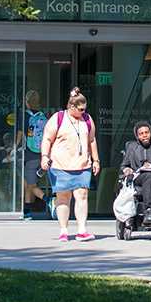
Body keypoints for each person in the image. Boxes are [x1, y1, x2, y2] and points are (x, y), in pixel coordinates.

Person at [40, 87, 99, 242]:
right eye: (80, 109)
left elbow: (91, 140)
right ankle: (64, 230)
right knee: (63, 198)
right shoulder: (58, 118)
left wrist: (96, 160)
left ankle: (82, 230)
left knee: (82, 195)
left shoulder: (87, 119)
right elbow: (47, 138)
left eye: (85, 109)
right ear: (71, 107)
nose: (83, 111)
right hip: (60, 165)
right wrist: (44, 157)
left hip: (82, 165)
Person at [120, 121, 151, 225]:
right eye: (141, 134)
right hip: (139, 177)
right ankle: (148, 211)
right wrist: (126, 170)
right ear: (137, 136)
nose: (144, 136)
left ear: (150, 133)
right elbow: (124, 165)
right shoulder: (132, 148)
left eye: (146, 132)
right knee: (147, 175)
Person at [21, 90, 50, 217]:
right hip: (41, 153)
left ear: (27, 102)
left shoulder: (25, 116)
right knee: (28, 183)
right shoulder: (42, 116)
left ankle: (49, 201)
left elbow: (20, 134)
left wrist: (14, 147)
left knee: (31, 185)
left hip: (29, 154)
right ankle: (27, 212)